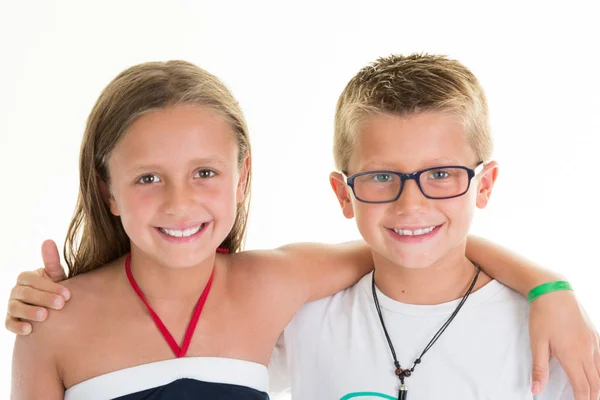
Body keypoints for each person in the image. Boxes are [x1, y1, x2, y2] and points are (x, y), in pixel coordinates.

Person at [7, 60, 599, 399]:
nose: (180, 201)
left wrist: (549, 287)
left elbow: (409, 242)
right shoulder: (52, 322)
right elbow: (398, 240)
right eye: (147, 179)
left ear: (242, 177)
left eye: (205, 171)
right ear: (106, 187)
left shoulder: (273, 287)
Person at [268, 53, 587, 399]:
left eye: (439, 174)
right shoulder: (301, 319)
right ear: (344, 195)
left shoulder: (547, 333)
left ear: (484, 186)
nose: (410, 204)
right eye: (381, 176)